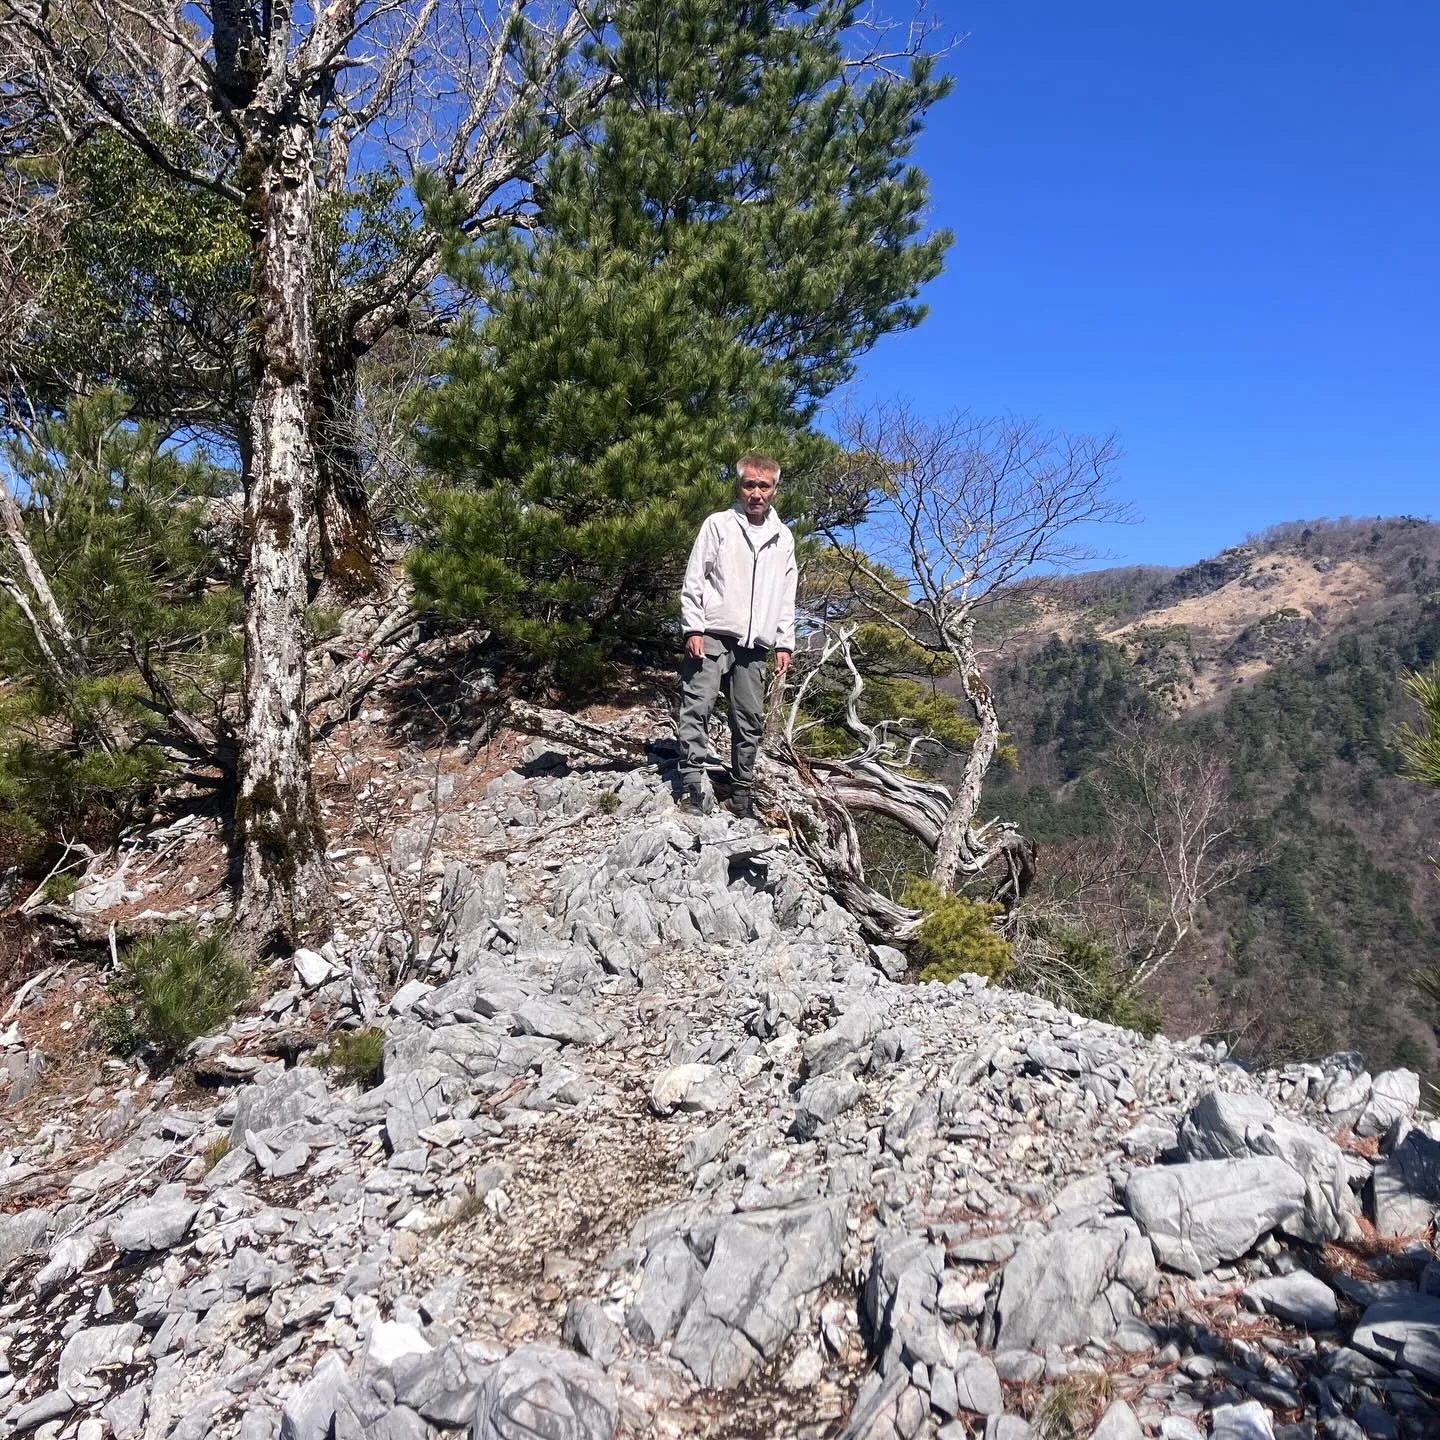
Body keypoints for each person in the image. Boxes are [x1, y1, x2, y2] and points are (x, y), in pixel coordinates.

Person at [677, 452, 797, 818]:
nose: (756, 493)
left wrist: (784, 642)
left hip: (756, 644)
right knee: (697, 706)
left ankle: (741, 793)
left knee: (749, 720)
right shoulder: (718, 525)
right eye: (749, 485)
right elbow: (695, 577)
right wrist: (693, 626)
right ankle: (693, 786)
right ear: (739, 486)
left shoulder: (783, 537)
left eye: (764, 485)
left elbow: (786, 593)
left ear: (775, 488)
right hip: (713, 633)